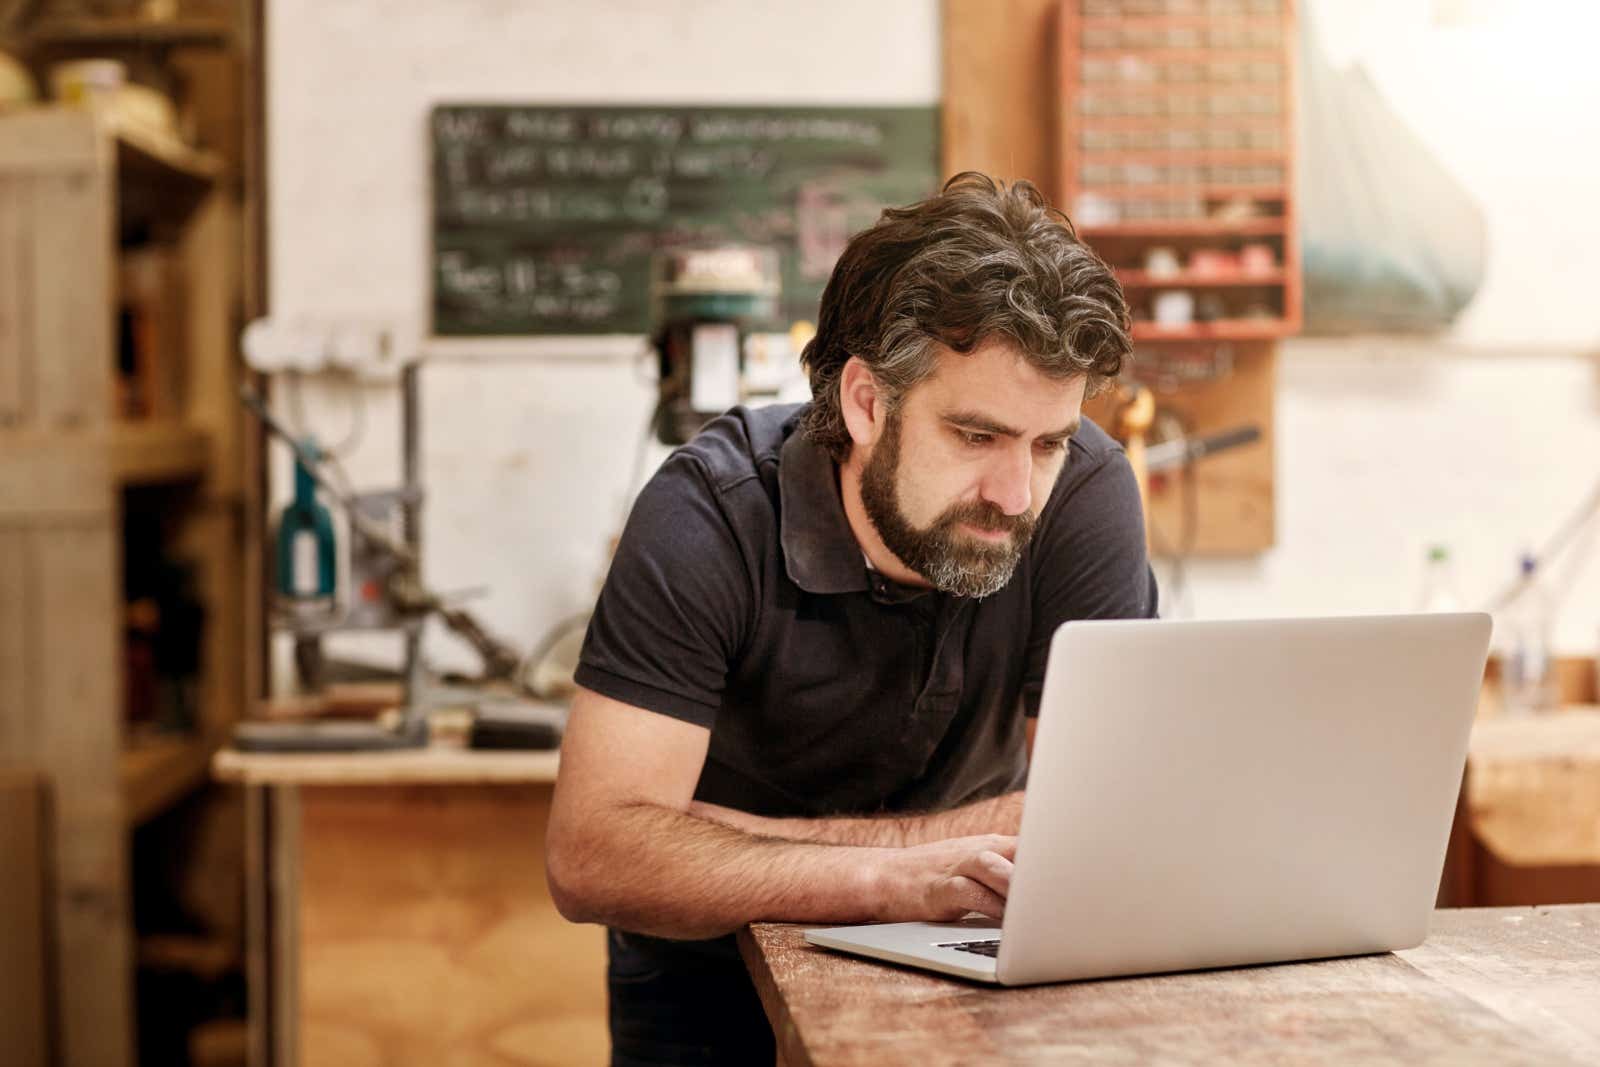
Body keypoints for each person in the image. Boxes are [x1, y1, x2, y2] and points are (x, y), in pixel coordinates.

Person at [547, 172, 1158, 1065]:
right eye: (977, 436)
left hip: (969, 948)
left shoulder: (1085, 494)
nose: (1017, 492)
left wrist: (720, 834)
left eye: (1048, 442)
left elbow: (1104, 816)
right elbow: (594, 854)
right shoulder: (708, 515)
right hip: (708, 975)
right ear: (867, 401)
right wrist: (889, 872)